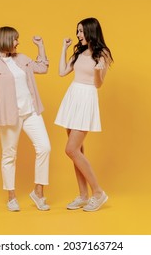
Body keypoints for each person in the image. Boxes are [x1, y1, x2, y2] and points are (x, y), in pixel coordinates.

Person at [0, 26, 51, 212]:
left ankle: (38, 192)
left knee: (44, 147)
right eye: (15, 39)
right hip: (10, 116)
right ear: (5, 40)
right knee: (9, 155)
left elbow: (42, 68)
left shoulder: (21, 58)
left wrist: (40, 46)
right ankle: (11, 197)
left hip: (31, 111)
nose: (18, 42)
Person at [55, 17, 113, 212]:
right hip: (73, 97)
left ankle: (98, 192)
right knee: (77, 151)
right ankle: (82, 195)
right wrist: (63, 48)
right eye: (77, 31)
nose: (78, 35)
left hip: (87, 98)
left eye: (81, 31)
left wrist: (98, 71)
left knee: (71, 149)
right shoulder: (79, 52)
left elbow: (98, 84)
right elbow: (62, 72)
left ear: (90, 31)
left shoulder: (102, 54)